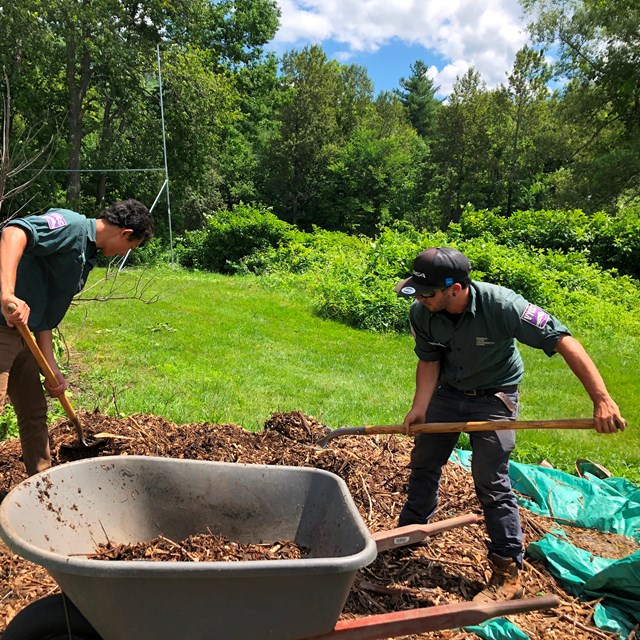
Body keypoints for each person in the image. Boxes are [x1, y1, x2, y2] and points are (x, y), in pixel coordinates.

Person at [394, 246, 626, 602]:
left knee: (490, 478)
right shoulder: (422, 313)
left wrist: (602, 399)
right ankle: (409, 532)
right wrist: (420, 408)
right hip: (448, 391)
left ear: (455, 289)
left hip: (494, 398)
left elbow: (563, 341)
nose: (421, 299)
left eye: (427, 292)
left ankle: (507, 572)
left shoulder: (504, 306)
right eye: (417, 291)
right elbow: (429, 360)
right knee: (425, 460)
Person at [0, 200, 154, 476]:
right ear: (125, 233)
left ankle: (42, 485)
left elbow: (45, 312)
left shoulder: (87, 252)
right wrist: (8, 294)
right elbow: (14, 231)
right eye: (128, 249)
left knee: (33, 411)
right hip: (3, 325)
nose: (121, 254)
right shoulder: (70, 226)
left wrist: (51, 367)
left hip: (25, 334)